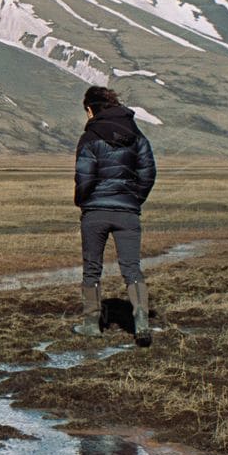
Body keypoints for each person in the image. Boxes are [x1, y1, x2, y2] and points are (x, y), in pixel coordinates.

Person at [73, 84, 156, 346]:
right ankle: (141, 322)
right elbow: (148, 173)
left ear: (90, 109)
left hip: (95, 212)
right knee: (132, 268)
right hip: (128, 212)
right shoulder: (137, 135)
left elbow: (84, 176)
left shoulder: (89, 137)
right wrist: (133, 199)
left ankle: (91, 324)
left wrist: (83, 201)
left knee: (92, 268)